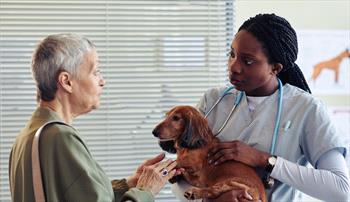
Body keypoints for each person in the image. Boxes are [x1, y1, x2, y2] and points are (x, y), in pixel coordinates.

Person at [172, 13, 350, 201]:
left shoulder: (307, 109)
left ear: (276, 68)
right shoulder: (213, 100)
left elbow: (340, 190)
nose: (234, 67)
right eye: (232, 54)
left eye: (247, 61)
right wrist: (211, 199)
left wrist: (264, 160)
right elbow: (181, 172)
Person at [9, 33, 182, 202]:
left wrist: (131, 183)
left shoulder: (26, 136)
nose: (102, 81)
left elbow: (78, 194)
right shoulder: (60, 137)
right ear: (66, 81)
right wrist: (146, 191)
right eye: (95, 72)